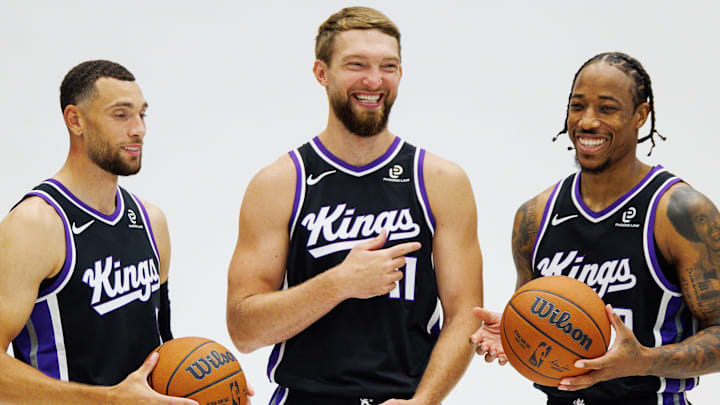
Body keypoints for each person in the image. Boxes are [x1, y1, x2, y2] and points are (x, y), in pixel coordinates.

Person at [226, 7, 483, 405]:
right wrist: (339, 283)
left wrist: (424, 402)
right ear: (321, 73)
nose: (374, 80)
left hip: (405, 398)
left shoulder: (440, 181)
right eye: (356, 65)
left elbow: (465, 312)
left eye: (388, 66)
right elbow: (244, 329)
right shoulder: (279, 183)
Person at [471, 52, 720, 405]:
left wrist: (643, 361)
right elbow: (540, 324)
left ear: (640, 116)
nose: (587, 122)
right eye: (578, 106)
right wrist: (516, 334)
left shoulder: (679, 212)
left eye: (607, 108)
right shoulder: (534, 216)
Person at [0, 60, 196, 404]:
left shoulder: (151, 221)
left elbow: (162, 350)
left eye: (142, 115)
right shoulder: (36, 225)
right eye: (121, 115)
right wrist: (108, 400)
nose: (138, 130)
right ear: (75, 120)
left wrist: (206, 383)